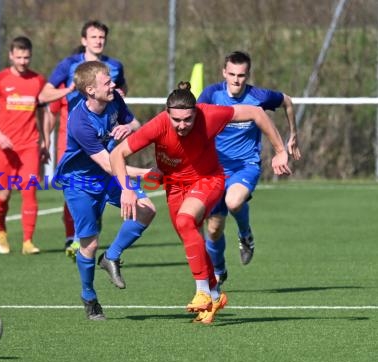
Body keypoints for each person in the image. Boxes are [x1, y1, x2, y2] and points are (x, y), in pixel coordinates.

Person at [109, 82, 291, 324]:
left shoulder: (210, 114)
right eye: (177, 120)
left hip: (209, 179)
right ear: (167, 114)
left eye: (188, 119)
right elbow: (116, 154)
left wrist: (280, 149)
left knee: (185, 220)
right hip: (174, 185)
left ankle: (202, 291)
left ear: (196, 112)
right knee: (189, 235)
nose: (182, 125)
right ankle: (215, 294)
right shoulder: (158, 125)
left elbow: (257, 113)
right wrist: (126, 190)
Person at [55, 61, 155, 320]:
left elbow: (137, 126)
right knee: (89, 243)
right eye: (107, 82)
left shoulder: (114, 101)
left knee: (146, 210)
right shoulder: (79, 121)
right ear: (90, 89)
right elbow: (108, 164)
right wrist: (147, 175)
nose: (113, 85)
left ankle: (111, 257)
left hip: (107, 173)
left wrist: (127, 127)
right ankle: (89, 296)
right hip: (81, 183)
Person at [197, 51, 301, 284]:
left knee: (233, 201)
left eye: (241, 75)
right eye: (232, 74)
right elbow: (193, 119)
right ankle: (220, 270)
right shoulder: (212, 94)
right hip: (214, 169)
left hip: (246, 165)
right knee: (213, 229)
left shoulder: (258, 96)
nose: (236, 80)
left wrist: (292, 135)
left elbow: (287, 100)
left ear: (248, 75)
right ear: (224, 73)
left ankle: (245, 235)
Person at [39, 20, 131, 259]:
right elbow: (44, 95)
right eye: (94, 37)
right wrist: (69, 90)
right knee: (76, 185)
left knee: (102, 183)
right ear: (83, 40)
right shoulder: (69, 65)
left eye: (102, 37)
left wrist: (120, 107)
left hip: (105, 135)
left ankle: (88, 234)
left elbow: (121, 94)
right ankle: (73, 237)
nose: (98, 41)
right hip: (74, 133)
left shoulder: (114, 66)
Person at [0, 36, 50, 255]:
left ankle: (28, 242)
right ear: (11, 55)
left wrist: (45, 141)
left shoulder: (38, 80)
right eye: (19, 57)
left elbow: (43, 112)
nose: (23, 62)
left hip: (29, 145)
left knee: (29, 190)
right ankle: (1, 230)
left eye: (27, 57)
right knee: (4, 195)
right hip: (5, 148)